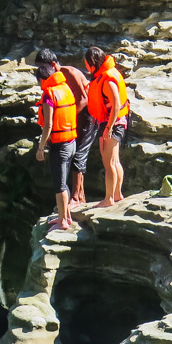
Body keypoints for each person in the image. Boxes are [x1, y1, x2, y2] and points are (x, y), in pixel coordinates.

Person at [35, 49, 91, 204]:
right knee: (72, 156)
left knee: (79, 155)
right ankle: (78, 196)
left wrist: (65, 119)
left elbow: (84, 100)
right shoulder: (55, 83)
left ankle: (76, 197)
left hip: (87, 117)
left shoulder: (68, 73)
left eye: (44, 67)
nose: (42, 72)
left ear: (53, 64)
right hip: (71, 121)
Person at [34, 63, 79, 230]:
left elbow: (48, 125)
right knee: (64, 182)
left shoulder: (49, 95)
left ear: (41, 80)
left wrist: (41, 148)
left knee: (59, 185)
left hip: (60, 146)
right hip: (72, 142)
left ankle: (63, 222)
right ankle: (65, 215)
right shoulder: (65, 88)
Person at [84, 46, 129, 207]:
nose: (86, 67)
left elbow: (116, 104)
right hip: (113, 121)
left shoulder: (107, 79)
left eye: (87, 64)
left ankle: (108, 199)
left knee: (109, 162)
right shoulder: (105, 74)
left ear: (93, 64)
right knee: (114, 161)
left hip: (113, 123)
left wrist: (108, 128)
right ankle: (117, 194)